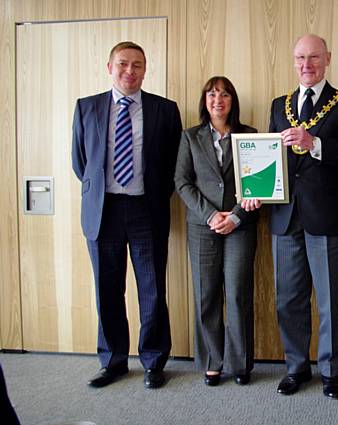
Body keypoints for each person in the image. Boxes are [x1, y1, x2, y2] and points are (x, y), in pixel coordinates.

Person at [244, 34, 338, 399]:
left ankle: (330, 372)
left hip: (328, 216)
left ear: (327, 58)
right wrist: (254, 191)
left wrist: (314, 144)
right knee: (288, 299)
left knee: (329, 298)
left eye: (314, 57)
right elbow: (269, 158)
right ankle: (296, 368)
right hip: (284, 216)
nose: (306, 64)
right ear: (293, 60)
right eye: (300, 57)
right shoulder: (279, 104)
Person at [72, 41, 182, 389]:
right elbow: (81, 163)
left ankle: (153, 362)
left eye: (137, 65)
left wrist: (151, 196)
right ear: (109, 67)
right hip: (103, 211)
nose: (129, 72)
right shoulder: (86, 108)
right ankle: (114, 361)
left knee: (151, 288)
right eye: (122, 64)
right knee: (108, 288)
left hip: (145, 209)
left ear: (145, 70)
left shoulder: (165, 110)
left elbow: (173, 166)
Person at [174, 76, 258, 387]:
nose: (218, 100)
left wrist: (235, 216)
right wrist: (210, 215)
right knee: (206, 294)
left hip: (240, 225)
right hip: (202, 226)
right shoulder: (190, 137)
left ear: (232, 100)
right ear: (205, 100)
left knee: (237, 294)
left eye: (224, 94)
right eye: (211, 94)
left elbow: (259, 182)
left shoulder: (249, 135)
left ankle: (239, 363)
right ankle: (212, 360)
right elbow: (182, 182)